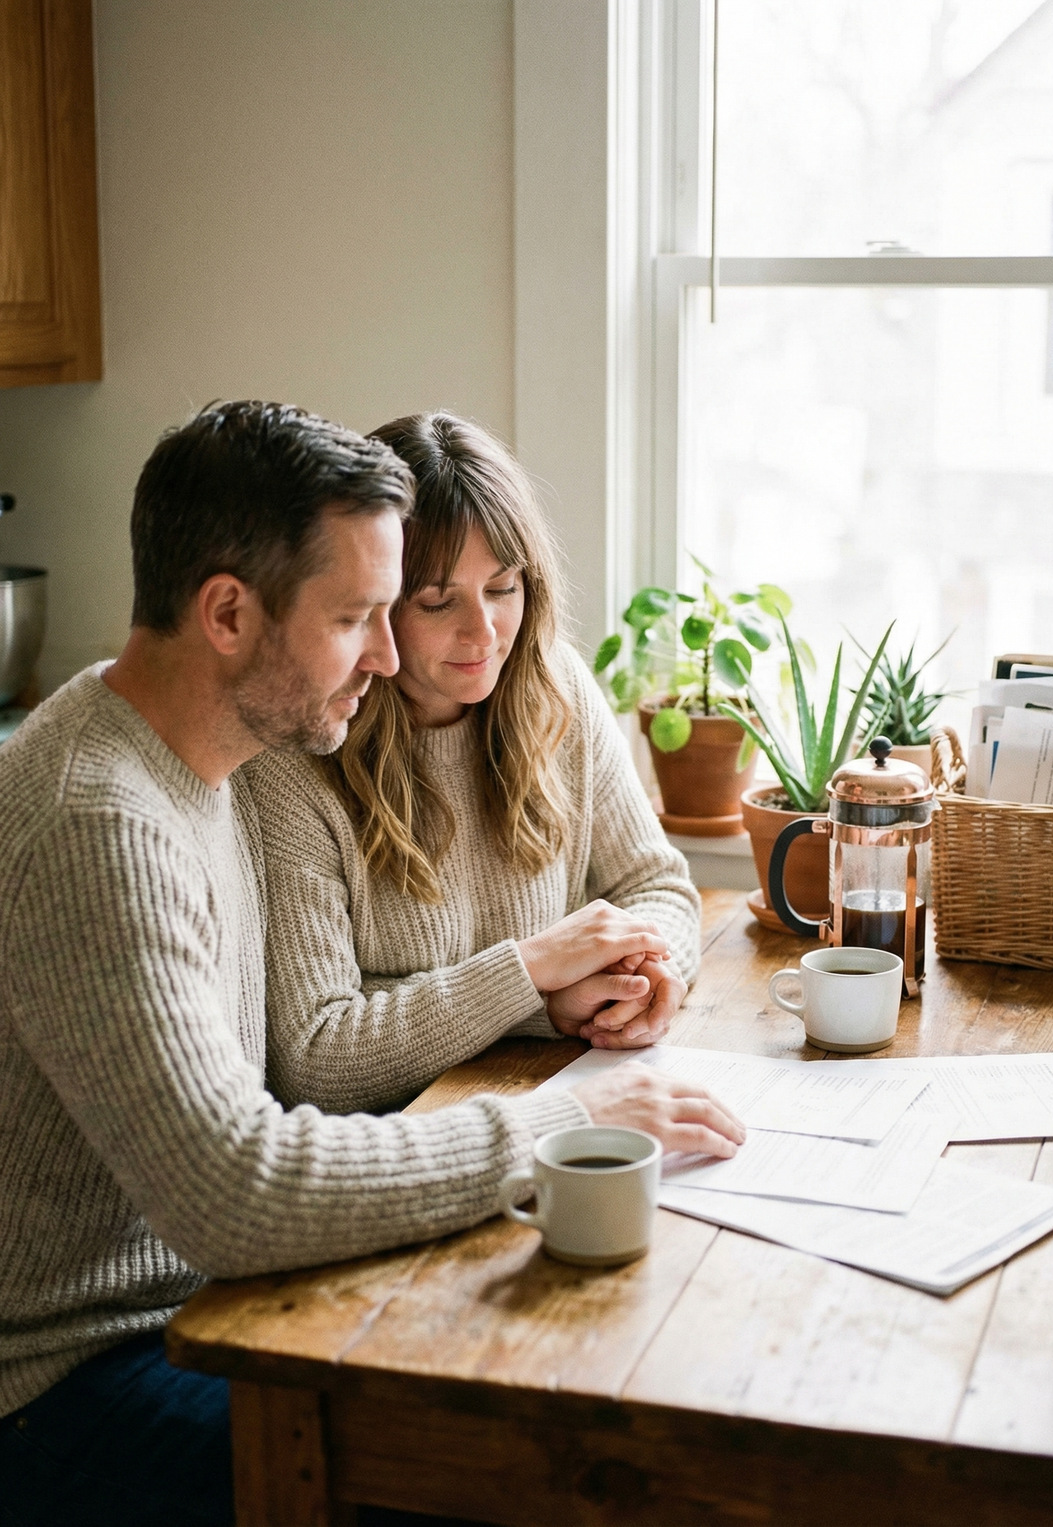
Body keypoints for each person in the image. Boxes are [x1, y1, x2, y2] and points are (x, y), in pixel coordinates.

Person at [0, 401, 744, 1527]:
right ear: (228, 614)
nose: (396, 656)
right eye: (361, 617)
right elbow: (240, 1192)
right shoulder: (100, 823)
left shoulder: (199, 761)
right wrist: (561, 1129)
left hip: (219, 1301)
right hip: (81, 1375)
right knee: (516, 1479)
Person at [243, 411, 701, 1119]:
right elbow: (316, 1056)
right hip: (393, 1153)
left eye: (503, 586)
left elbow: (657, 885)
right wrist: (534, 975)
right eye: (437, 600)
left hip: (544, 1103)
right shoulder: (298, 752)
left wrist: (646, 975)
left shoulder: (557, 688)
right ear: (374, 605)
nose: (484, 632)